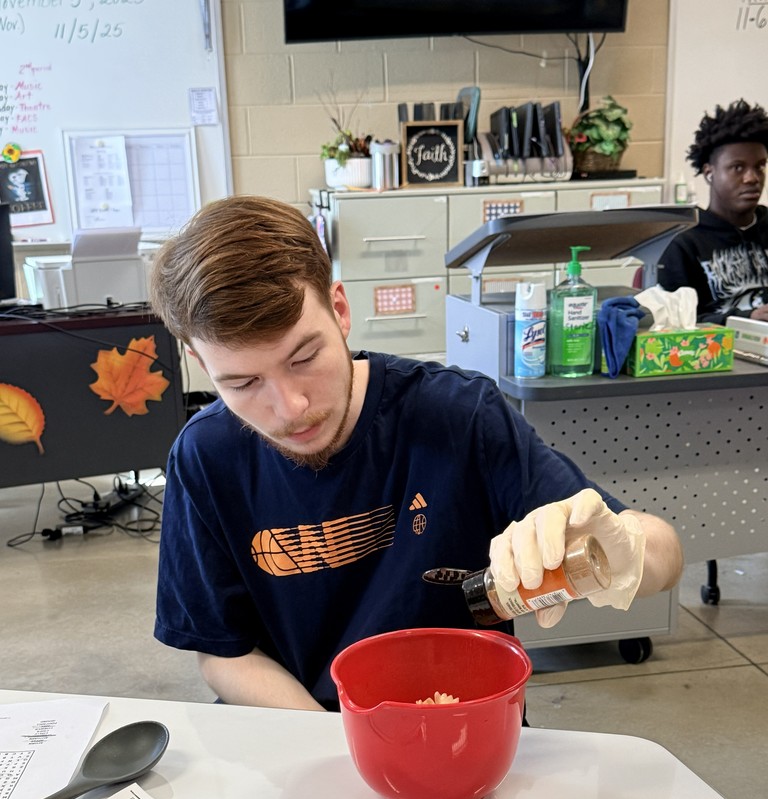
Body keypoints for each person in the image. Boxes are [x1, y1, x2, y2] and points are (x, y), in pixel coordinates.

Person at [149, 195, 683, 712]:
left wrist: (627, 552)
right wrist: (342, 749)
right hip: (306, 734)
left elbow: (666, 553)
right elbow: (223, 652)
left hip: (464, 722)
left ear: (339, 310)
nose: (290, 408)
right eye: (242, 383)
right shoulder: (206, 457)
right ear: (199, 362)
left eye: (305, 357)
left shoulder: (458, 415)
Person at [658, 98, 768, 324]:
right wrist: (747, 319)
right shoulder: (683, 242)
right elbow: (676, 322)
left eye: (759, 166)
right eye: (737, 168)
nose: (752, 178)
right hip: (718, 353)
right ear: (709, 173)